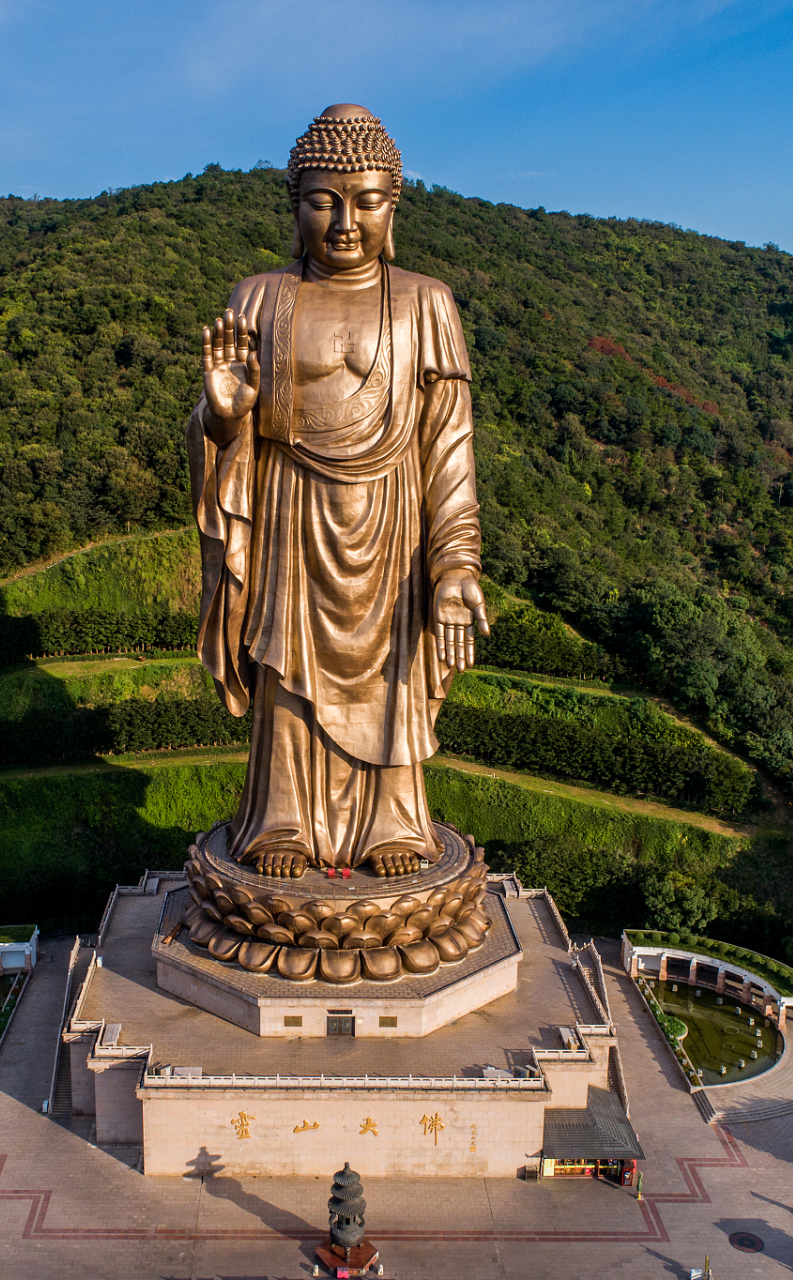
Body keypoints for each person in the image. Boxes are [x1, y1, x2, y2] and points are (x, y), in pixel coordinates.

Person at [190, 104, 486, 880]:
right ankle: (281, 819)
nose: (345, 222)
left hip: (394, 520)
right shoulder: (260, 297)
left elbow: (448, 447)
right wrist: (225, 421)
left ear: (394, 205)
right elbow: (226, 426)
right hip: (289, 511)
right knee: (287, 672)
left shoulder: (427, 301)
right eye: (324, 200)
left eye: (366, 200)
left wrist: (456, 566)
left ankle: (393, 820)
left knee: (390, 676)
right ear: (296, 207)